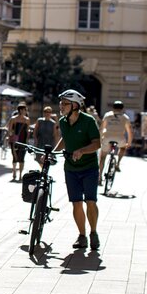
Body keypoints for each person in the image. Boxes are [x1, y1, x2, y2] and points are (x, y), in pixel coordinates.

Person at [54, 89, 102, 251]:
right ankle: (82, 236)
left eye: (65, 104)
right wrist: (52, 152)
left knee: (90, 201)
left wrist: (82, 151)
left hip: (89, 168)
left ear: (75, 105)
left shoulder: (88, 121)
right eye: (61, 103)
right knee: (76, 203)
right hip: (70, 168)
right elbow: (65, 139)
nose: (61, 106)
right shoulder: (62, 121)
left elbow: (97, 144)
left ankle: (93, 233)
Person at [98, 100, 133, 182]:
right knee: (123, 148)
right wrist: (129, 142)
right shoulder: (125, 117)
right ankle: (118, 163)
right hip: (119, 138)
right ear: (122, 108)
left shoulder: (107, 115)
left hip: (107, 137)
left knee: (102, 157)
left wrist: (99, 140)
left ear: (113, 107)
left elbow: (101, 128)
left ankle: (99, 177)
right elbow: (130, 131)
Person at [6, 102, 31, 181]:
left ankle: (20, 174)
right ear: (20, 110)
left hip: (23, 141)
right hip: (14, 141)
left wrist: (27, 140)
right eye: (24, 109)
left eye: (25, 110)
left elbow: (27, 131)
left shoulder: (27, 120)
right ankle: (14, 172)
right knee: (14, 157)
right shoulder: (13, 119)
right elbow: (10, 130)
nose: (25, 111)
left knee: (22, 158)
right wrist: (10, 137)